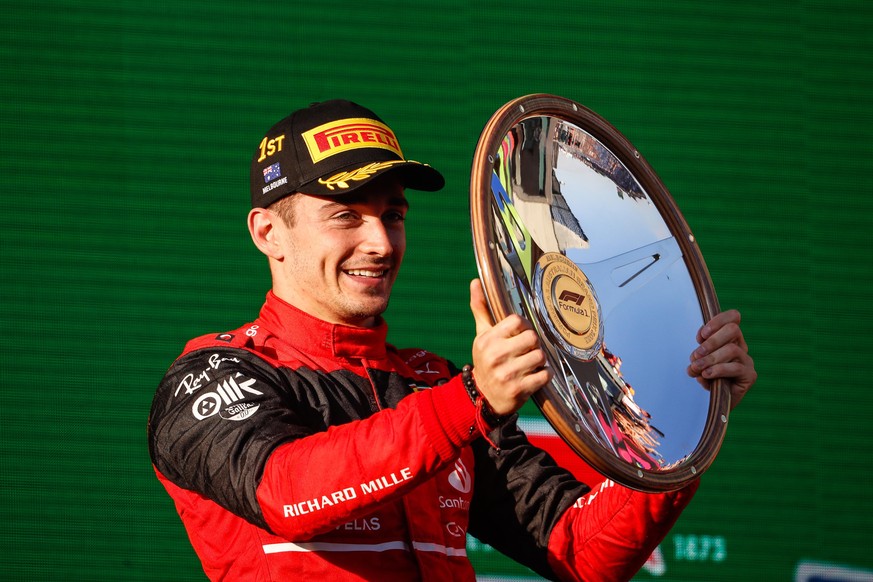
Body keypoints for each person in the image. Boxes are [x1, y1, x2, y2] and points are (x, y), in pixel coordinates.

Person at [147, 100, 757, 581]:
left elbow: (581, 552)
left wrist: (686, 418)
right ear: (266, 232)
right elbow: (286, 493)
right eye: (345, 216)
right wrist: (469, 400)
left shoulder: (431, 385)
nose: (381, 243)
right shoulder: (215, 372)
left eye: (393, 214)